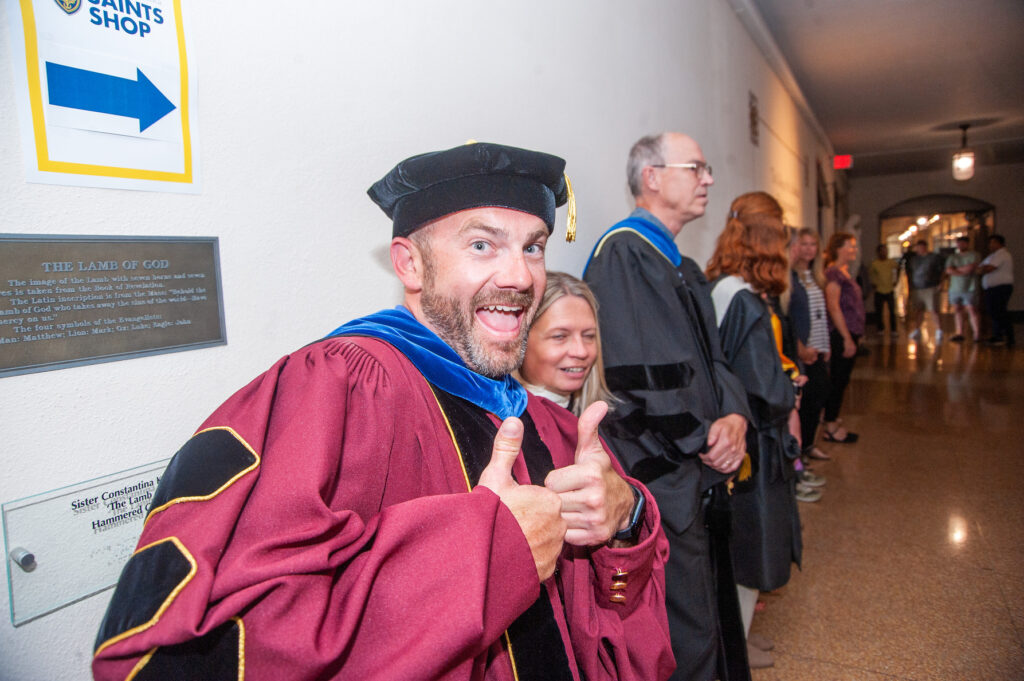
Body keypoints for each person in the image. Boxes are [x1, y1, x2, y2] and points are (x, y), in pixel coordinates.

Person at [92, 142, 675, 681]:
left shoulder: (552, 424)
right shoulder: (334, 391)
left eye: (533, 247)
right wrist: (488, 550)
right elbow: (194, 648)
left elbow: (609, 632)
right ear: (409, 265)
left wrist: (626, 520)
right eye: (482, 244)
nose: (521, 275)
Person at [583, 132, 752, 681]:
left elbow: (714, 359)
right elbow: (641, 377)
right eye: (696, 167)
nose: (708, 179)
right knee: (681, 619)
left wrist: (732, 418)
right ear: (651, 176)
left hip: (695, 466)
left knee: (705, 604)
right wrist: (703, 439)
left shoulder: (680, 261)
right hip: (662, 472)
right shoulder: (626, 254)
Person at [705, 192, 803, 669]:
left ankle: (740, 638)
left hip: (738, 432)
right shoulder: (742, 298)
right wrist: (790, 387)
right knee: (749, 545)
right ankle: (735, 649)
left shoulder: (722, 286)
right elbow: (763, 383)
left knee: (740, 544)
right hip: (753, 442)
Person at [516, 271, 615, 416]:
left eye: (589, 336)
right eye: (560, 336)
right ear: (519, 341)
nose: (581, 351)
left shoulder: (608, 423)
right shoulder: (502, 427)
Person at [790, 227, 832, 464]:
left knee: (818, 397)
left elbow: (819, 315)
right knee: (804, 402)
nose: (808, 249)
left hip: (818, 346)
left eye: (812, 245)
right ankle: (800, 453)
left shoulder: (817, 277)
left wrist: (826, 344)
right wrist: (800, 348)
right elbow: (791, 320)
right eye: (803, 244)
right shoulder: (791, 278)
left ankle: (809, 445)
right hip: (803, 350)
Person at [822, 232, 865, 444]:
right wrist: (846, 337)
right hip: (841, 334)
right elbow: (833, 306)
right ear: (838, 248)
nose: (853, 250)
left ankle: (832, 416)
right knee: (838, 379)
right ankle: (830, 425)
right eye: (850, 246)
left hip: (850, 331)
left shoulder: (844, 272)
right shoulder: (833, 274)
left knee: (843, 378)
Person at [906, 239, 945, 343]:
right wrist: (910, 287)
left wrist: (941, 283)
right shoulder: (914, 259)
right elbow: (910, 273)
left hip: (930, 287)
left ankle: (939, 330)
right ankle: (917, 329)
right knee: (919, 310)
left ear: (925, 247)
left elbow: (941, 271)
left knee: (933, 310)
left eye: (921, 247)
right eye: (918, 247)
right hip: (917, 287)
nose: (919, 249)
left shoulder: (934, 258)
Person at [979, 234, 1015, 347]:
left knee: (999, 312)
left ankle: (1008, 336)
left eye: (993, 242)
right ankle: (997, 335)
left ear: (999, 243)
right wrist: (981, 268)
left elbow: (988, 268)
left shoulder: (1002, 254)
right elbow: (980, 268)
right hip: (992, 288)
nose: (990, 245)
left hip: (1000, 288)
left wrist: (982, 268)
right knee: (993, 311)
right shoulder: (993, 256)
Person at [945, 235, 981, 342]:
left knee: (972, 309)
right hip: (955, 287)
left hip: (970, 286)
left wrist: (956, 270)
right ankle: (959, 332)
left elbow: (972, 268)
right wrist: (962, 270)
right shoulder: (953, 257)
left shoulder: (974, 255)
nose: (961, 245)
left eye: (963, 243)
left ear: (968, 244)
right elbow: (948, 270)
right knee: (957, 309)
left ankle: (977, 333)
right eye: (959, 243)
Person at [868, 244, 899, 336]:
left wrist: (895, 281)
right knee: (879, 311)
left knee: (892, 311)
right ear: (878, 252)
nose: (884, 253)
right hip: (879, 290)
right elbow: (871, 275)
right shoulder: (874, 264)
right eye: (882, 251)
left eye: (885, 251)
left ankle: (893, 329)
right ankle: (880, 328)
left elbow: (897, 270)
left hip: (889, 289)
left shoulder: (891, 263)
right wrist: (874, 284)